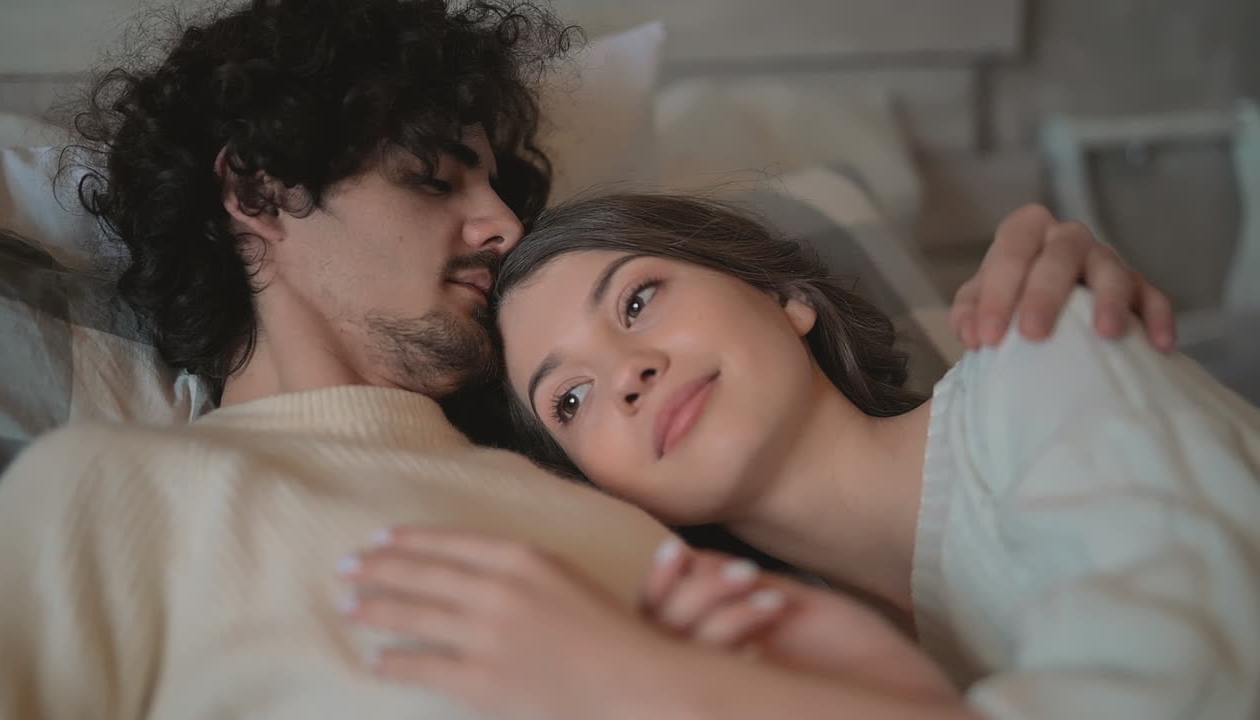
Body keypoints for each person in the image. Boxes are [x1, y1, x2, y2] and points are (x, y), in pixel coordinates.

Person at [0, 0, 1179, 717]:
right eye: (435, 174)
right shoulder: (113, 495)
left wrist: (1066, 352)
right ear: (254, 188)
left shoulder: (613, 482)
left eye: (500, 187)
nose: (500, 226)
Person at [339, 193, 1260, 720]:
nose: (625, 374)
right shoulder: (805, 660)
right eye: (569, 400)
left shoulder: (1045, 357)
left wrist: (651, 684)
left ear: (786, 297)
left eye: (637, 300)